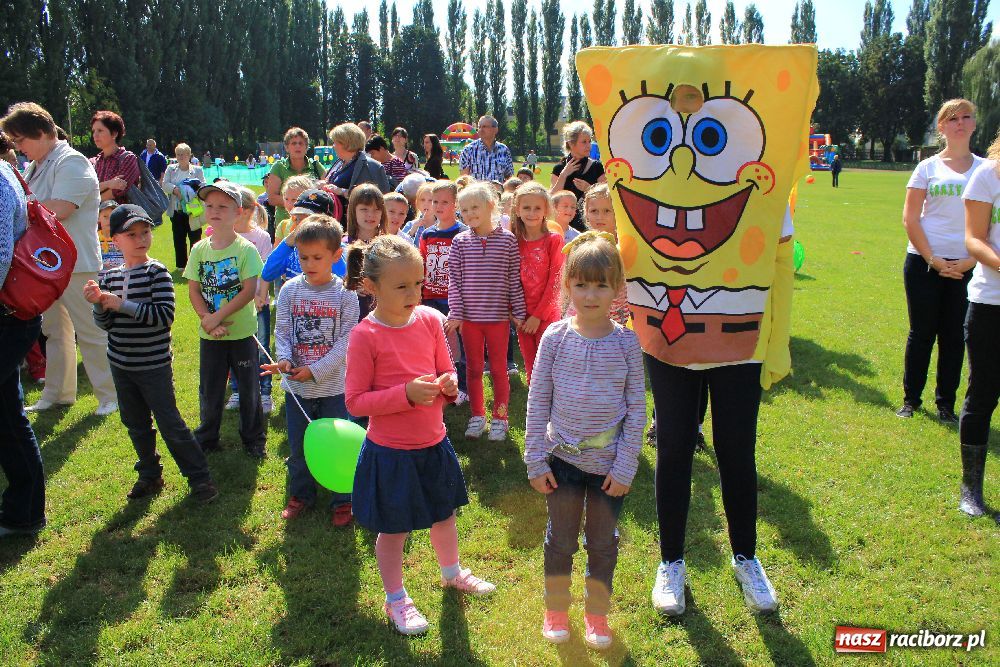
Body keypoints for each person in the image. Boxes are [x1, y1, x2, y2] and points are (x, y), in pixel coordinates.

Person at [345, 235, 496, 635]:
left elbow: (447, 370)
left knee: (444, 515)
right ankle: (396, 599)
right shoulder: (366, 335)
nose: (414, 293)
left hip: (434, 442)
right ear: (372, 287)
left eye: (418, 282)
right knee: (393, 530)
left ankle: (452, 572)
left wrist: (448, 386)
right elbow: (356, 402)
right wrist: (405, 395)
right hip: (391, 452)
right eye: (402, 286)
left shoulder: (430, 319)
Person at [524, 231, 644, 649]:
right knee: (560, 538)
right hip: (561, 461)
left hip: (610, 467)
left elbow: (637, 408)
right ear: (567, 286)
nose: (590, 295)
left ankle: (597, 615)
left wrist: (626, 464)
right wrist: (535, 460)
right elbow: (538, 399)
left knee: (603, 543)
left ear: (617, 288)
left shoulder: (628, 342)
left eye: (601, 285)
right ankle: (555, 608)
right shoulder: (554, 338)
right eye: (581, 285)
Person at [84, 204, 218, 503]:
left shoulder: (157, 273)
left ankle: (199, 478)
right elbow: (105, 323)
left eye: (145, 232)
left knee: (170, 422)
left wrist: (121, 305)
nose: (141, 239)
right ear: (114, 238)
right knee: (135, 423)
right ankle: (150, 474)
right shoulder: (110, 276)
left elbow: (163, 317)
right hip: (121, 363)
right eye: (131, 234)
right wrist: (98, 303)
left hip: (153, 364)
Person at [1, 102, 117, 415]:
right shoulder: (35, 165)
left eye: (20, 140)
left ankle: (111, 395)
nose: (18, 148)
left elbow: (60, 208)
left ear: (40, 133)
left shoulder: (72, 161)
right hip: (44, 267)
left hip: (75, 264)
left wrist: (16, 211)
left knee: (91, 332)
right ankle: (58, 394)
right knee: (54, 331)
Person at [262, 216, 359, 526]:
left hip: (333, 388)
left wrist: (316, 370)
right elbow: (283, 331)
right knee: (299, 446)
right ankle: (301, 494)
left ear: (335, 256)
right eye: (303, 257)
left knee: (337, 445)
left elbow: (346, 341)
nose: (309, 263)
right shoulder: (290, 290)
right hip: (297, 390)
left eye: (317, 257)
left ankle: (343, 498)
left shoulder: (346, 294)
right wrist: (286, 361)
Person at [897, 99, 982, 422]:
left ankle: (946, 403)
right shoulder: (927, 168)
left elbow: (990, 223)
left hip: (966, 266)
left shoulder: (986, 169)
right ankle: (910, 400)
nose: (959, 123)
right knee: (921, 333)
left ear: (974, 124)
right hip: (923, 262)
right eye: (952, 118)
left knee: (953, 335)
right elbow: (910, 218)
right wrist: (932, 259)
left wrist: (970, 261)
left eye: (966, 117)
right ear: (941, 127)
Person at [182, 181, 266, 458]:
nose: (214, 211)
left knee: (249, 389)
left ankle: (253, 438)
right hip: (211, 335)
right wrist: (207, 319)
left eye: (223, 206)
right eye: (209, 206)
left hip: (241, 334)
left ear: (238, 212)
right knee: (210, 389)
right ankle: (207, 437)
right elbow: (194, 289)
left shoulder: (245, 250)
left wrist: (218, 316)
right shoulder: (198, 250)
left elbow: (248, 290)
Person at [446, 183, 526, 441]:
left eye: (474, 208)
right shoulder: (459, 242)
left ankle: (500, 417)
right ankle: (477, 415)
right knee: (473, 369)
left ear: (491, 206)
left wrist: (519, 311)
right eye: (464, 210)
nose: (469, 214)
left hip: (498, 320)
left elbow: (514, 279)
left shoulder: (508, 240)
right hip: (469, 321)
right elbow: (454, 281)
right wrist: (456, 313)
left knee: (500, 369)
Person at [0, 140, 46, 537]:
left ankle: (24, 511)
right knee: (8, 414)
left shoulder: (0, 179)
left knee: (8, 418)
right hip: (9, 313)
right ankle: (22, 511)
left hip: (6, 314)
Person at [958, 129, 1000, 521]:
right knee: (983, 394)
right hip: (991, 303)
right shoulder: (988, 174)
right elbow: (974, 238)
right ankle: (971, 489)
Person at [215, 186, 275, 414]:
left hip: (257, 303)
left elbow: (265, 271)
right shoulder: (222, 236)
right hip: (231, 304)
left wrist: (260, 296)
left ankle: (265, 393)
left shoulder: (261, 237)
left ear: (247, 211)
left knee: (261, 348)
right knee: (235, 349)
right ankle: (238, 390)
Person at [419, 181, 468, 401]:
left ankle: (463, 386)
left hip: (455, 300)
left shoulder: (464, 233)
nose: (438, 206)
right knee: (435, 343)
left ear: (456, 204)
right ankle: (438, 383)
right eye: (434, 201)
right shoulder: (427, 234)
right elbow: (420, 264)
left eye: (444, 202)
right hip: (431, 297)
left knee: (460, 344)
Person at [511, 182, 564, 383]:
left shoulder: (553, 240)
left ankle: (554, 404)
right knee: (530, 363)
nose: (532, 213)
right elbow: (510, 279)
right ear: (517, 209)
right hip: (522, 317)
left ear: (546, 211)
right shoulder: (514, 241)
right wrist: (515, 314)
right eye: (526, 207)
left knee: (549, 363)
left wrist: (538, 316)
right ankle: (536, 406)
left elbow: (556, 283)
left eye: (537, 208)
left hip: (546, 315)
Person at [262, 189, 346, 289]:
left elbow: (344, 278)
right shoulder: (292, 249)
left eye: (307, 219)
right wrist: (287, 243)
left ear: (327, 222)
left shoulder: (338, 249)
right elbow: (267, 274)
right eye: (297, 219)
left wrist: (330, 243)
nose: (301, 224)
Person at [265, 128, 327, 238]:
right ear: (287, 147)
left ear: (306, 147)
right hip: (285, 226)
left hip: (312, 224)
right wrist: (299, 203)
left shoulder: (316, 167)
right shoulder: (278, 167)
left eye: (301, 143)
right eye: (293, 143)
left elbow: (327, 194)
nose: (297, 146)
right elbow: (272, 198)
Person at [550, 121, 606, 231]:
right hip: (564, 225)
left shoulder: (597, 167)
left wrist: (589, 189)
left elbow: (606, 197)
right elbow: (552, 198)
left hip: (591, 224)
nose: (588, 145)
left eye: (589, 141)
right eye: (584, 142)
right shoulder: (559, 168)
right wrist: (563, 175)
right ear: (571, 144)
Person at [325, 123, 392, 209]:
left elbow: (380, 198)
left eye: (335, 142)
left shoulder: (372, 167)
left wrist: (342, 191)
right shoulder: (339, 163)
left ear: (346, 143)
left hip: (356, 220)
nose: (333, 146)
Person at [160, 142, 205, 270]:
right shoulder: (171, 169)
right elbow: (165, 184)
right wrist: (175, 190)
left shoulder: (197, 170)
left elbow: (203, 186)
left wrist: (190, 191)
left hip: (193, 211)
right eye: (178, 154)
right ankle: (181, 266)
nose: (181, 157)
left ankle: (195, 265)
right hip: (177, 210)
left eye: (183, 154)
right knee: (178, 238)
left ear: (189, 155)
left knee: (195, 238)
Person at [90, 110, 140, 204]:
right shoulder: (93, 162)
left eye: (100, 130)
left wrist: (90, 200)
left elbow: (115, 192)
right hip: (96, 218)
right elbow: (83, 189)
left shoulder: (128, 159)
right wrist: (109, 184)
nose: (95, 135)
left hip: (122, 216)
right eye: (94, 131)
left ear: (114, 134)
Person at [459, 115, 514, 182]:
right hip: (476, 192)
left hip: (498, 191)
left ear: (495, 129)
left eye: (484, 127)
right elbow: (464, 179)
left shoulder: (504, 150)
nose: (481, 130)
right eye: (479, 127)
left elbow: (510, 178)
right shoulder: (468, 150)